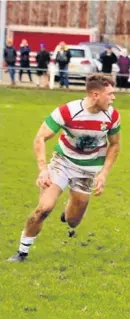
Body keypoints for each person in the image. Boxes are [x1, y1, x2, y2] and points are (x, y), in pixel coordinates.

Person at [7, 74, 121, 262]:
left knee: (73, 221)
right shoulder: (67, 111)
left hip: (87, 171)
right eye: (110, 94)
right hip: (62, 163)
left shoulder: (112, 116)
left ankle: (69, 209)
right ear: (95, 95)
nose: (113, 98)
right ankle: (22, 252)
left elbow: (115, 145)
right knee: (44, 209)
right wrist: (43, 169)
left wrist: (104, 174)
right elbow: (40, 137)